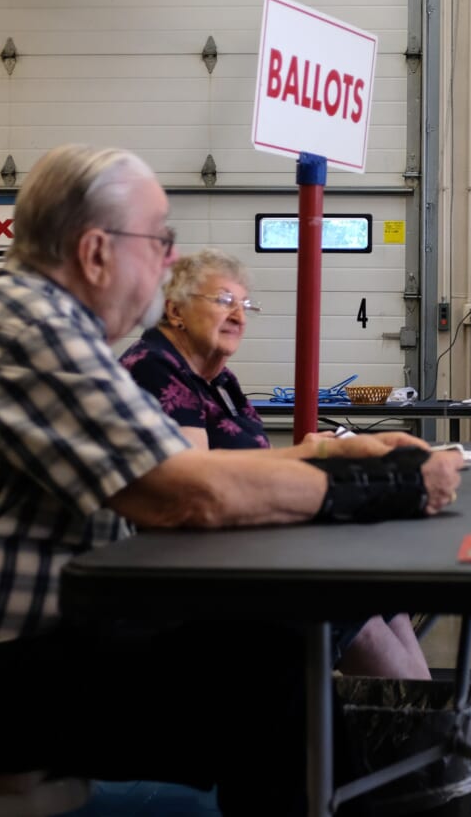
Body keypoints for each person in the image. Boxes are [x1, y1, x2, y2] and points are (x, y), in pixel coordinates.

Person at [0, 144, 471, 817]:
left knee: (273, 651)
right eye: (158, 240)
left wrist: (341, 457)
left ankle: (400, 789)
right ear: (96, 250)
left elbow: (194, 466)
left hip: (9, 653)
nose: (166, 261)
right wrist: (392, 487)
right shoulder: (29, 326)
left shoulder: (38, 320)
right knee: (266, 672)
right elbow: (185, 491)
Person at [119, 247, 433, 679]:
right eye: (224, 301)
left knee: (377, 591)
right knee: (344, 603)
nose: (239, 315)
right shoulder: (155, 370)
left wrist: (322, 451)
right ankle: (439, 733)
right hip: (193, 574)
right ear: (174, 310)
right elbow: (196, 487)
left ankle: (441, 724)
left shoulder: (219, 380)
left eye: (245, 305)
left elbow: (254, 461)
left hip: (251, 547)